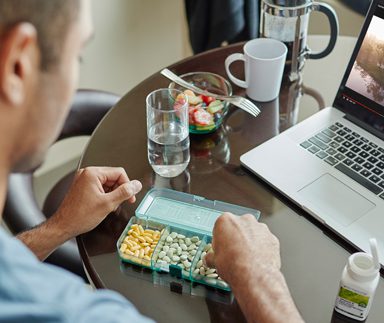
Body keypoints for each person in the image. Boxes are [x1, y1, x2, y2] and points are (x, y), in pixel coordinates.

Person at [0, 0, 303, 322]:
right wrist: (258, 276)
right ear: (20, 64)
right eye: (78, 55)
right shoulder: (78, 313)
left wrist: (59, 226)